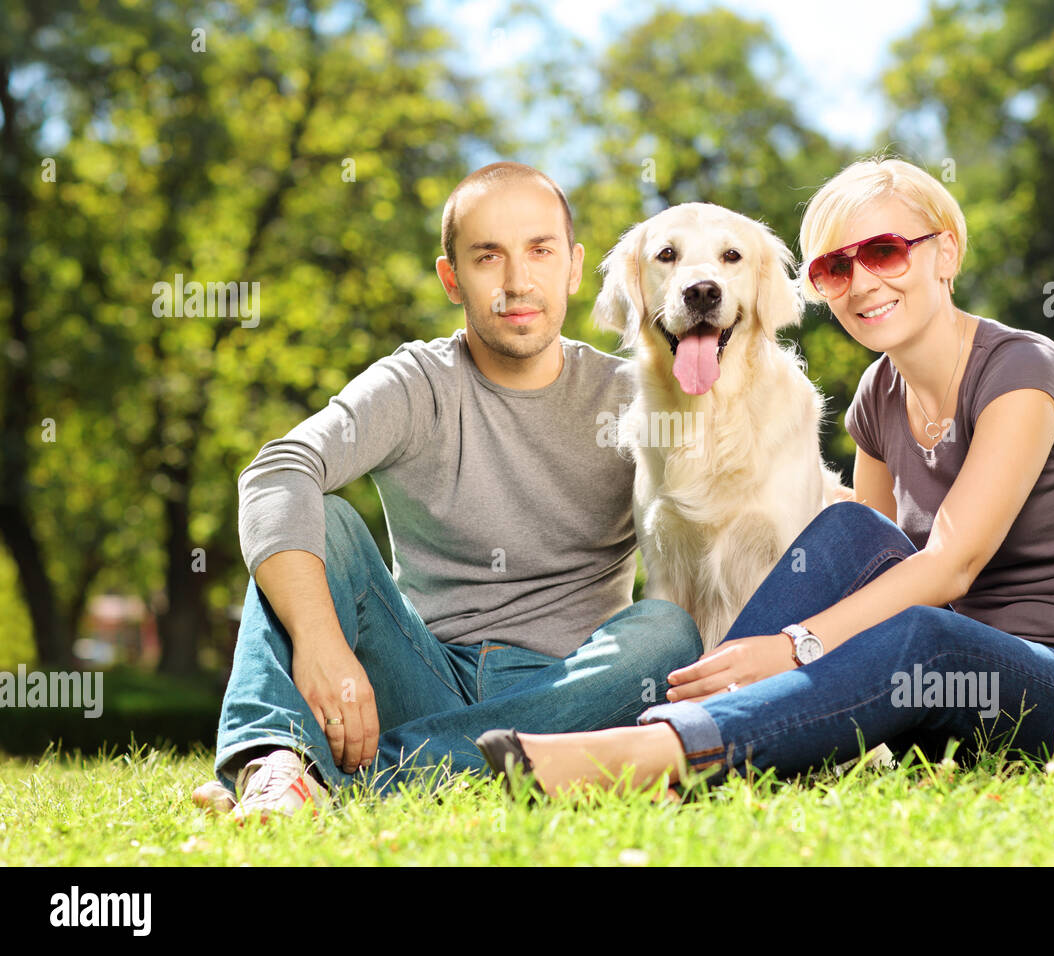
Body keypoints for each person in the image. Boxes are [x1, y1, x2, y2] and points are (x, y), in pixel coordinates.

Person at [475, 157, 1054, 795]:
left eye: (886, 251)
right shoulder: (879, 394)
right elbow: (871, 564)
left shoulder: (1024, 372)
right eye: (836, 268)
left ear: (946, 253)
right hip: (947, 699)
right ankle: (684, 719)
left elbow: (951, 567)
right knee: (844, 529)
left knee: (925, 633)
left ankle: (648, 757)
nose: (864, 282)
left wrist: (793, 647)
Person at [191, 161, 701, 821]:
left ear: (573, 267)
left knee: (666, 630)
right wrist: (320, 643)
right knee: (319, 518)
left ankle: (322, 777)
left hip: (574, 694)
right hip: (426, 675)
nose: (518, 282)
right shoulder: (418, 382)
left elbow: (719, 520)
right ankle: (278, 758)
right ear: (451, 277)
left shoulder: (635, 396)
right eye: (489, 257)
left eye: (539, 251)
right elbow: (277, 470)